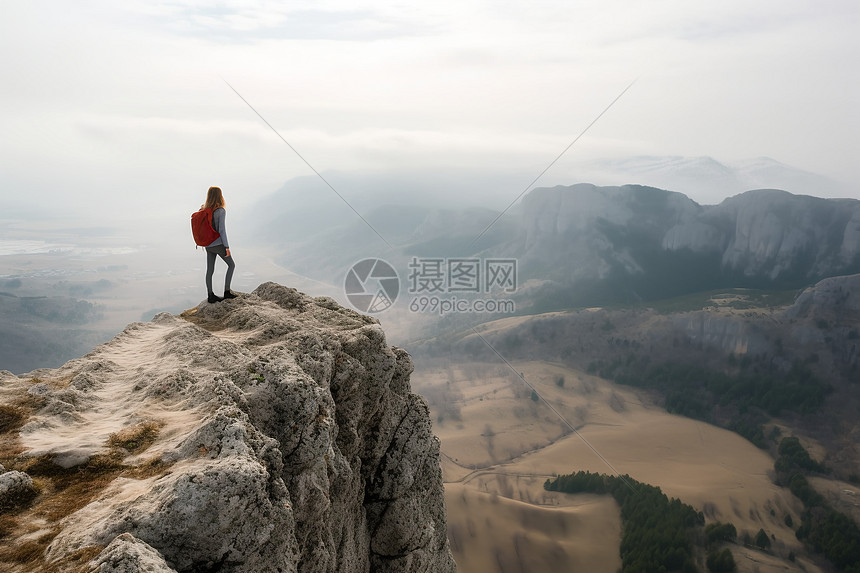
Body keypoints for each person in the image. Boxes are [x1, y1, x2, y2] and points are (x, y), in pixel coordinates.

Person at [202, 186, 237, 303]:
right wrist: (226, 247)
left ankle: (210, 295)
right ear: (220, 196)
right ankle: (227, 292)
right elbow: (222, 230)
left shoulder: (204, 209)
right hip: (218, 244)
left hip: (208, 245)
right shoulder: (220, 211)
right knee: (231, 265)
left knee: (210, 270)